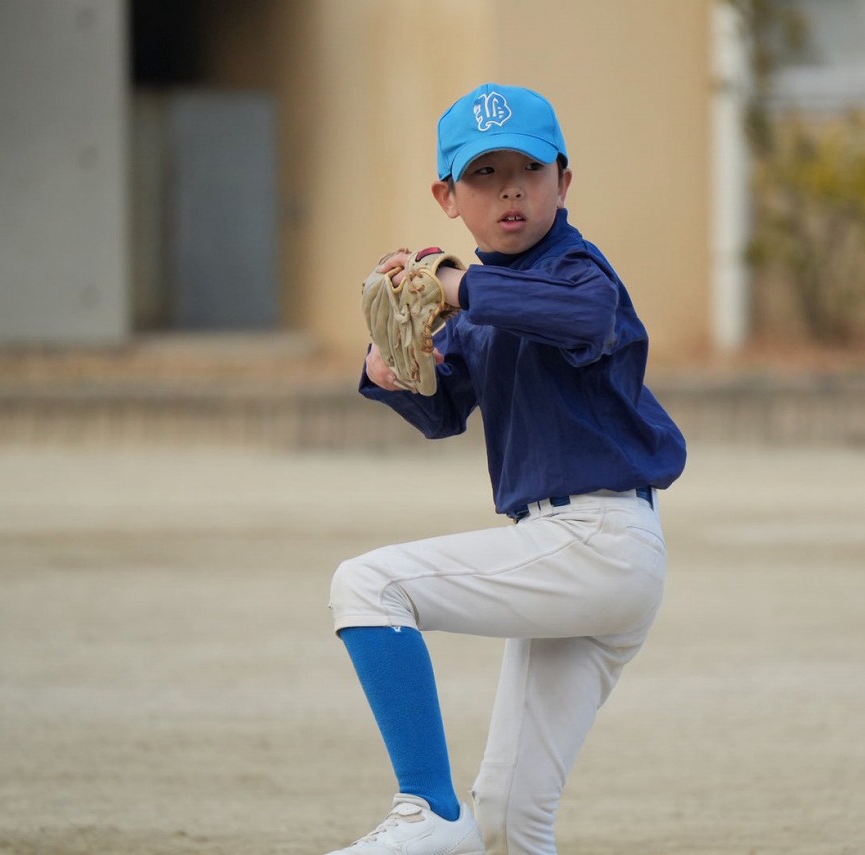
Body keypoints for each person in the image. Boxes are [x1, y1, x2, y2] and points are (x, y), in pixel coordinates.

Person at [325, 82, 687, 855]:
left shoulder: (577, 270)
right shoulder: (478, 313)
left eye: (528, 168)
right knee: (511, 820)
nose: (510, 189)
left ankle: (427, 804)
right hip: (580, 561)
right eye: (484, 174)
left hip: (598, 540)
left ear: (565, 180)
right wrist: (389, 369)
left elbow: (581, 317)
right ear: (448, 197)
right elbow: (443, 410)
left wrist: (457, 283)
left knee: (368, 584)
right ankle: (459, 821)